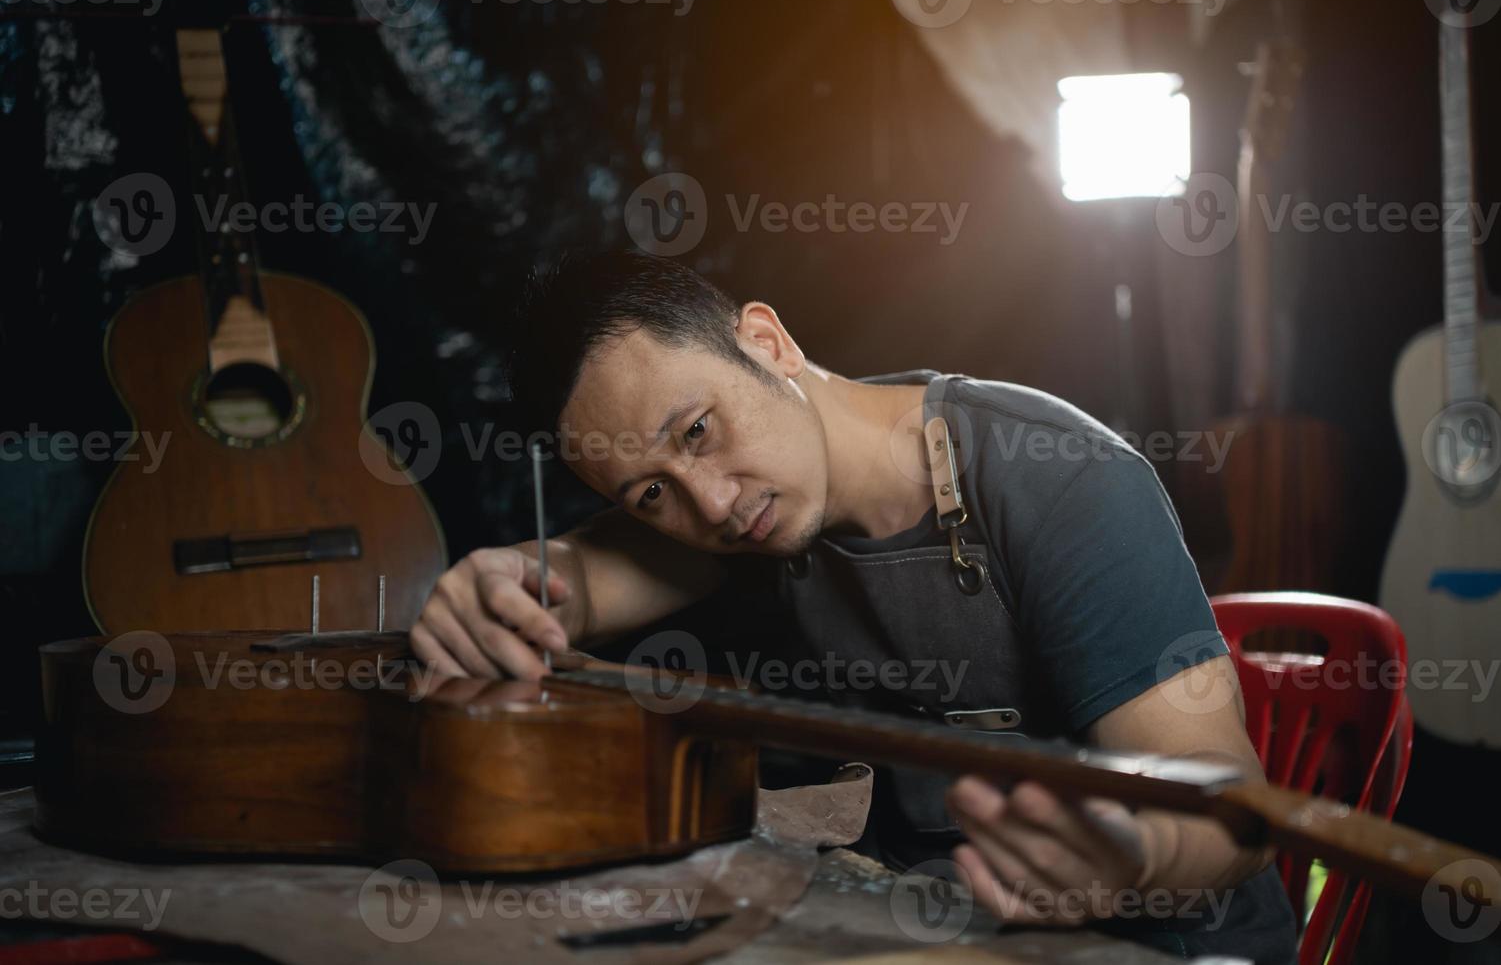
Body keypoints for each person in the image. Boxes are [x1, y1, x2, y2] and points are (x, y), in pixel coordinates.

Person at [413, 250, 1297, 961]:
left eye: (697, 431)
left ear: (766, 343)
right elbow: (574, 577)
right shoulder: (746, 517)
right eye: (650, 494)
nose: (710, 505)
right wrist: (504, 585)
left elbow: (1229, 812)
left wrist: (1131, 856)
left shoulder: (1059, 479)